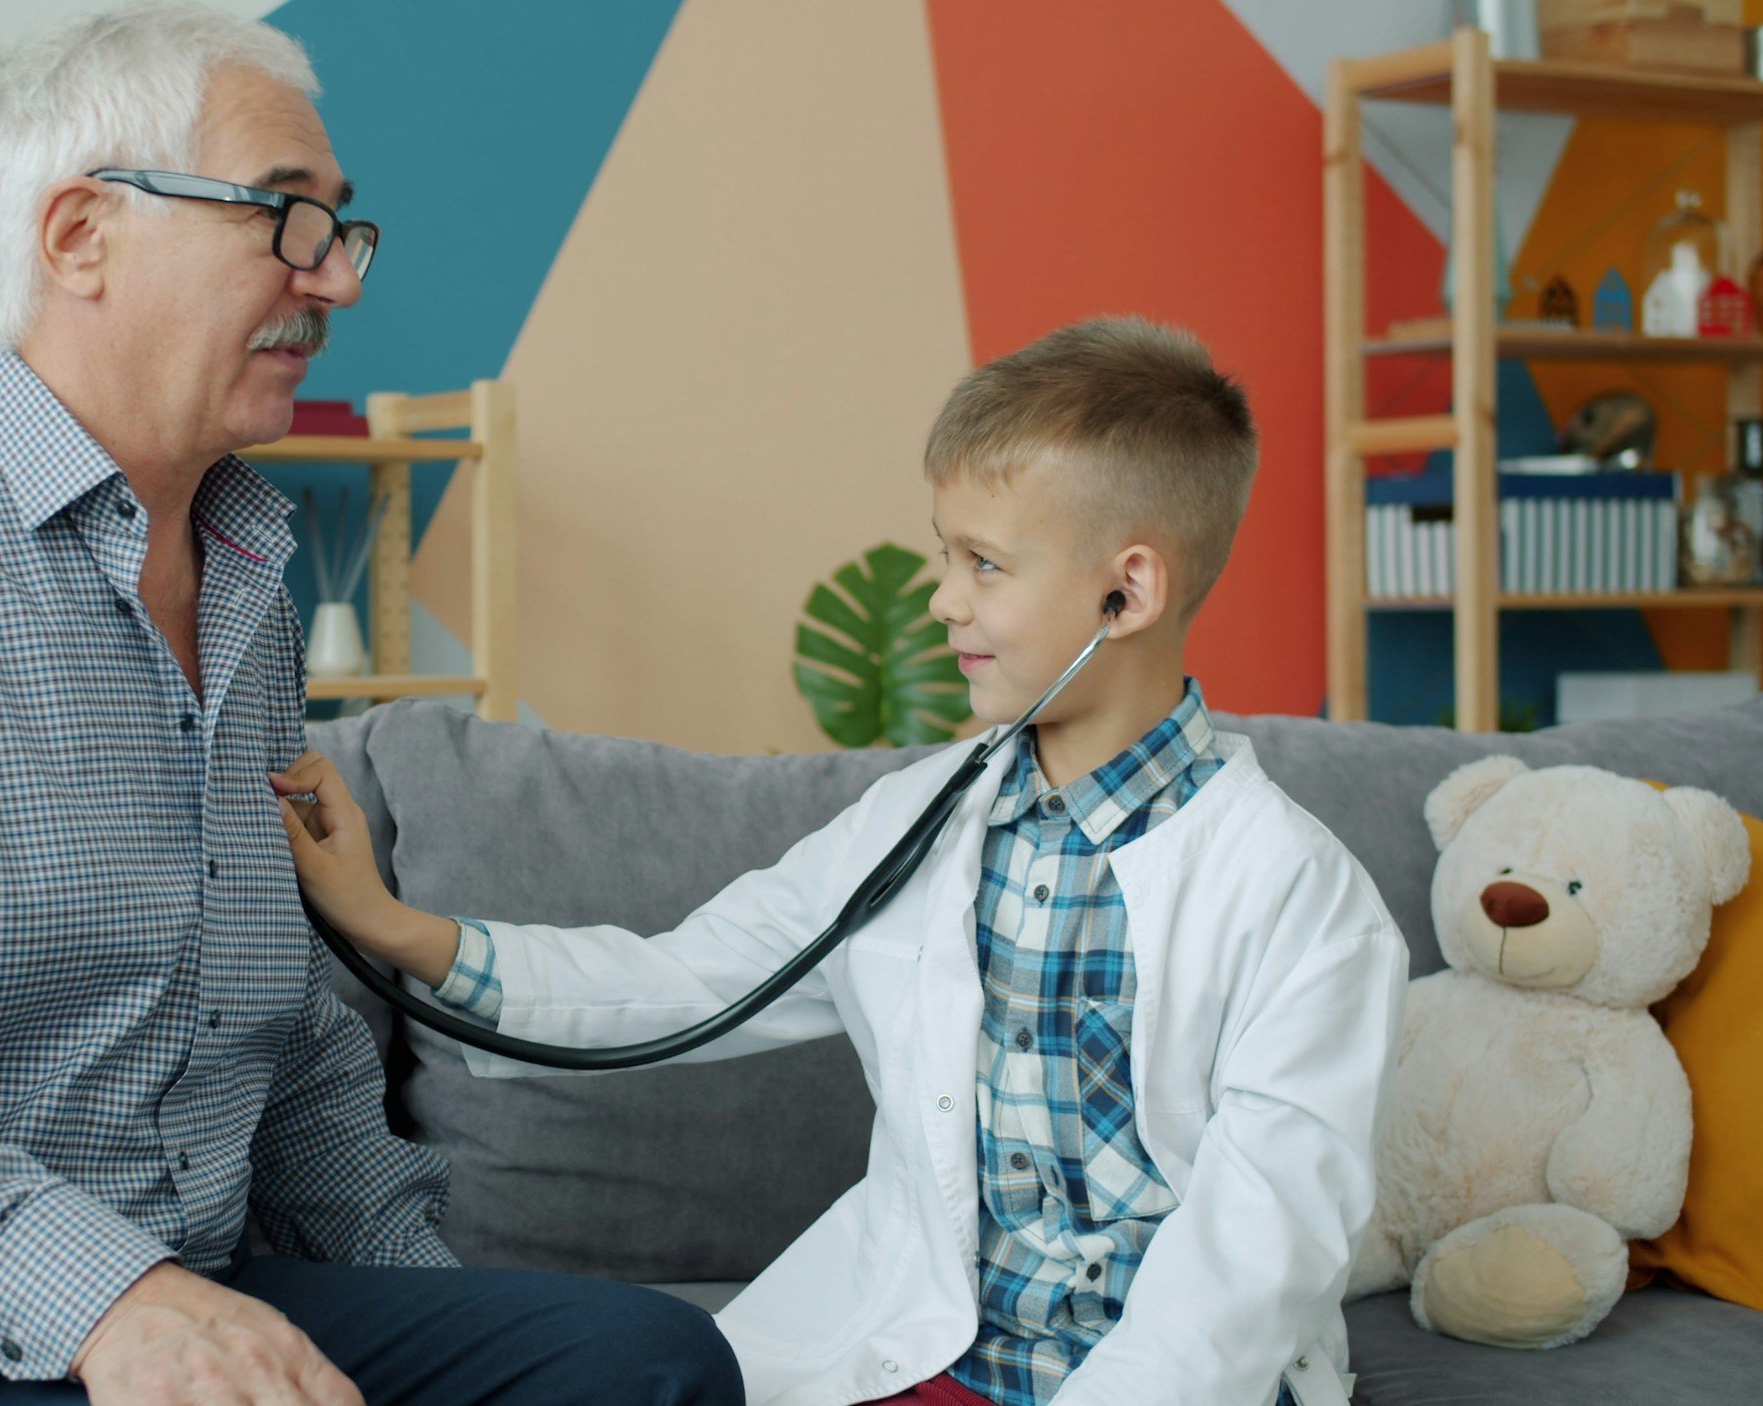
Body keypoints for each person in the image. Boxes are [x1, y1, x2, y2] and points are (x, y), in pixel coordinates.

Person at [0, 5, 743, 1405]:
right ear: (81, 236)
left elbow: (280, 1040)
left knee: (645, 1361)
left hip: (173, 1290)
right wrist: (109, 1299)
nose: (335, 279)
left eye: (339, 229)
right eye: (285, 217)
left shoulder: (245, 577)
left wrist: (431, 1307)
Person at [280, 318, 1411, 1406]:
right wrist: (391, 924)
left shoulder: (1300, 900)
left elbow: (1251, 1258)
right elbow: (684, 981)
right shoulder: (915, 821)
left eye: (984, 564)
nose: (944, 598)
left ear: (1130, 591)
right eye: (945, 553)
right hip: (933, 1363)